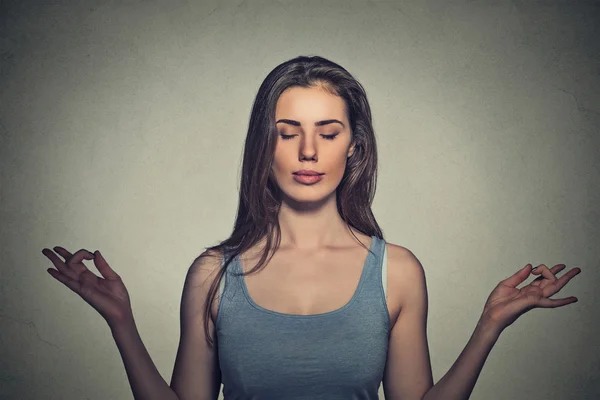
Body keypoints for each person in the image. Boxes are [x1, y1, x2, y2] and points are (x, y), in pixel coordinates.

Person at [42, 55, 581, 400]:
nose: (307, 151)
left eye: (327, 132)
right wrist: (121, 323)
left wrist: (489, 325)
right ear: (264, 145)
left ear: (354, 146)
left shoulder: (396, 272)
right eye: (287, 131)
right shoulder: (213, 275)